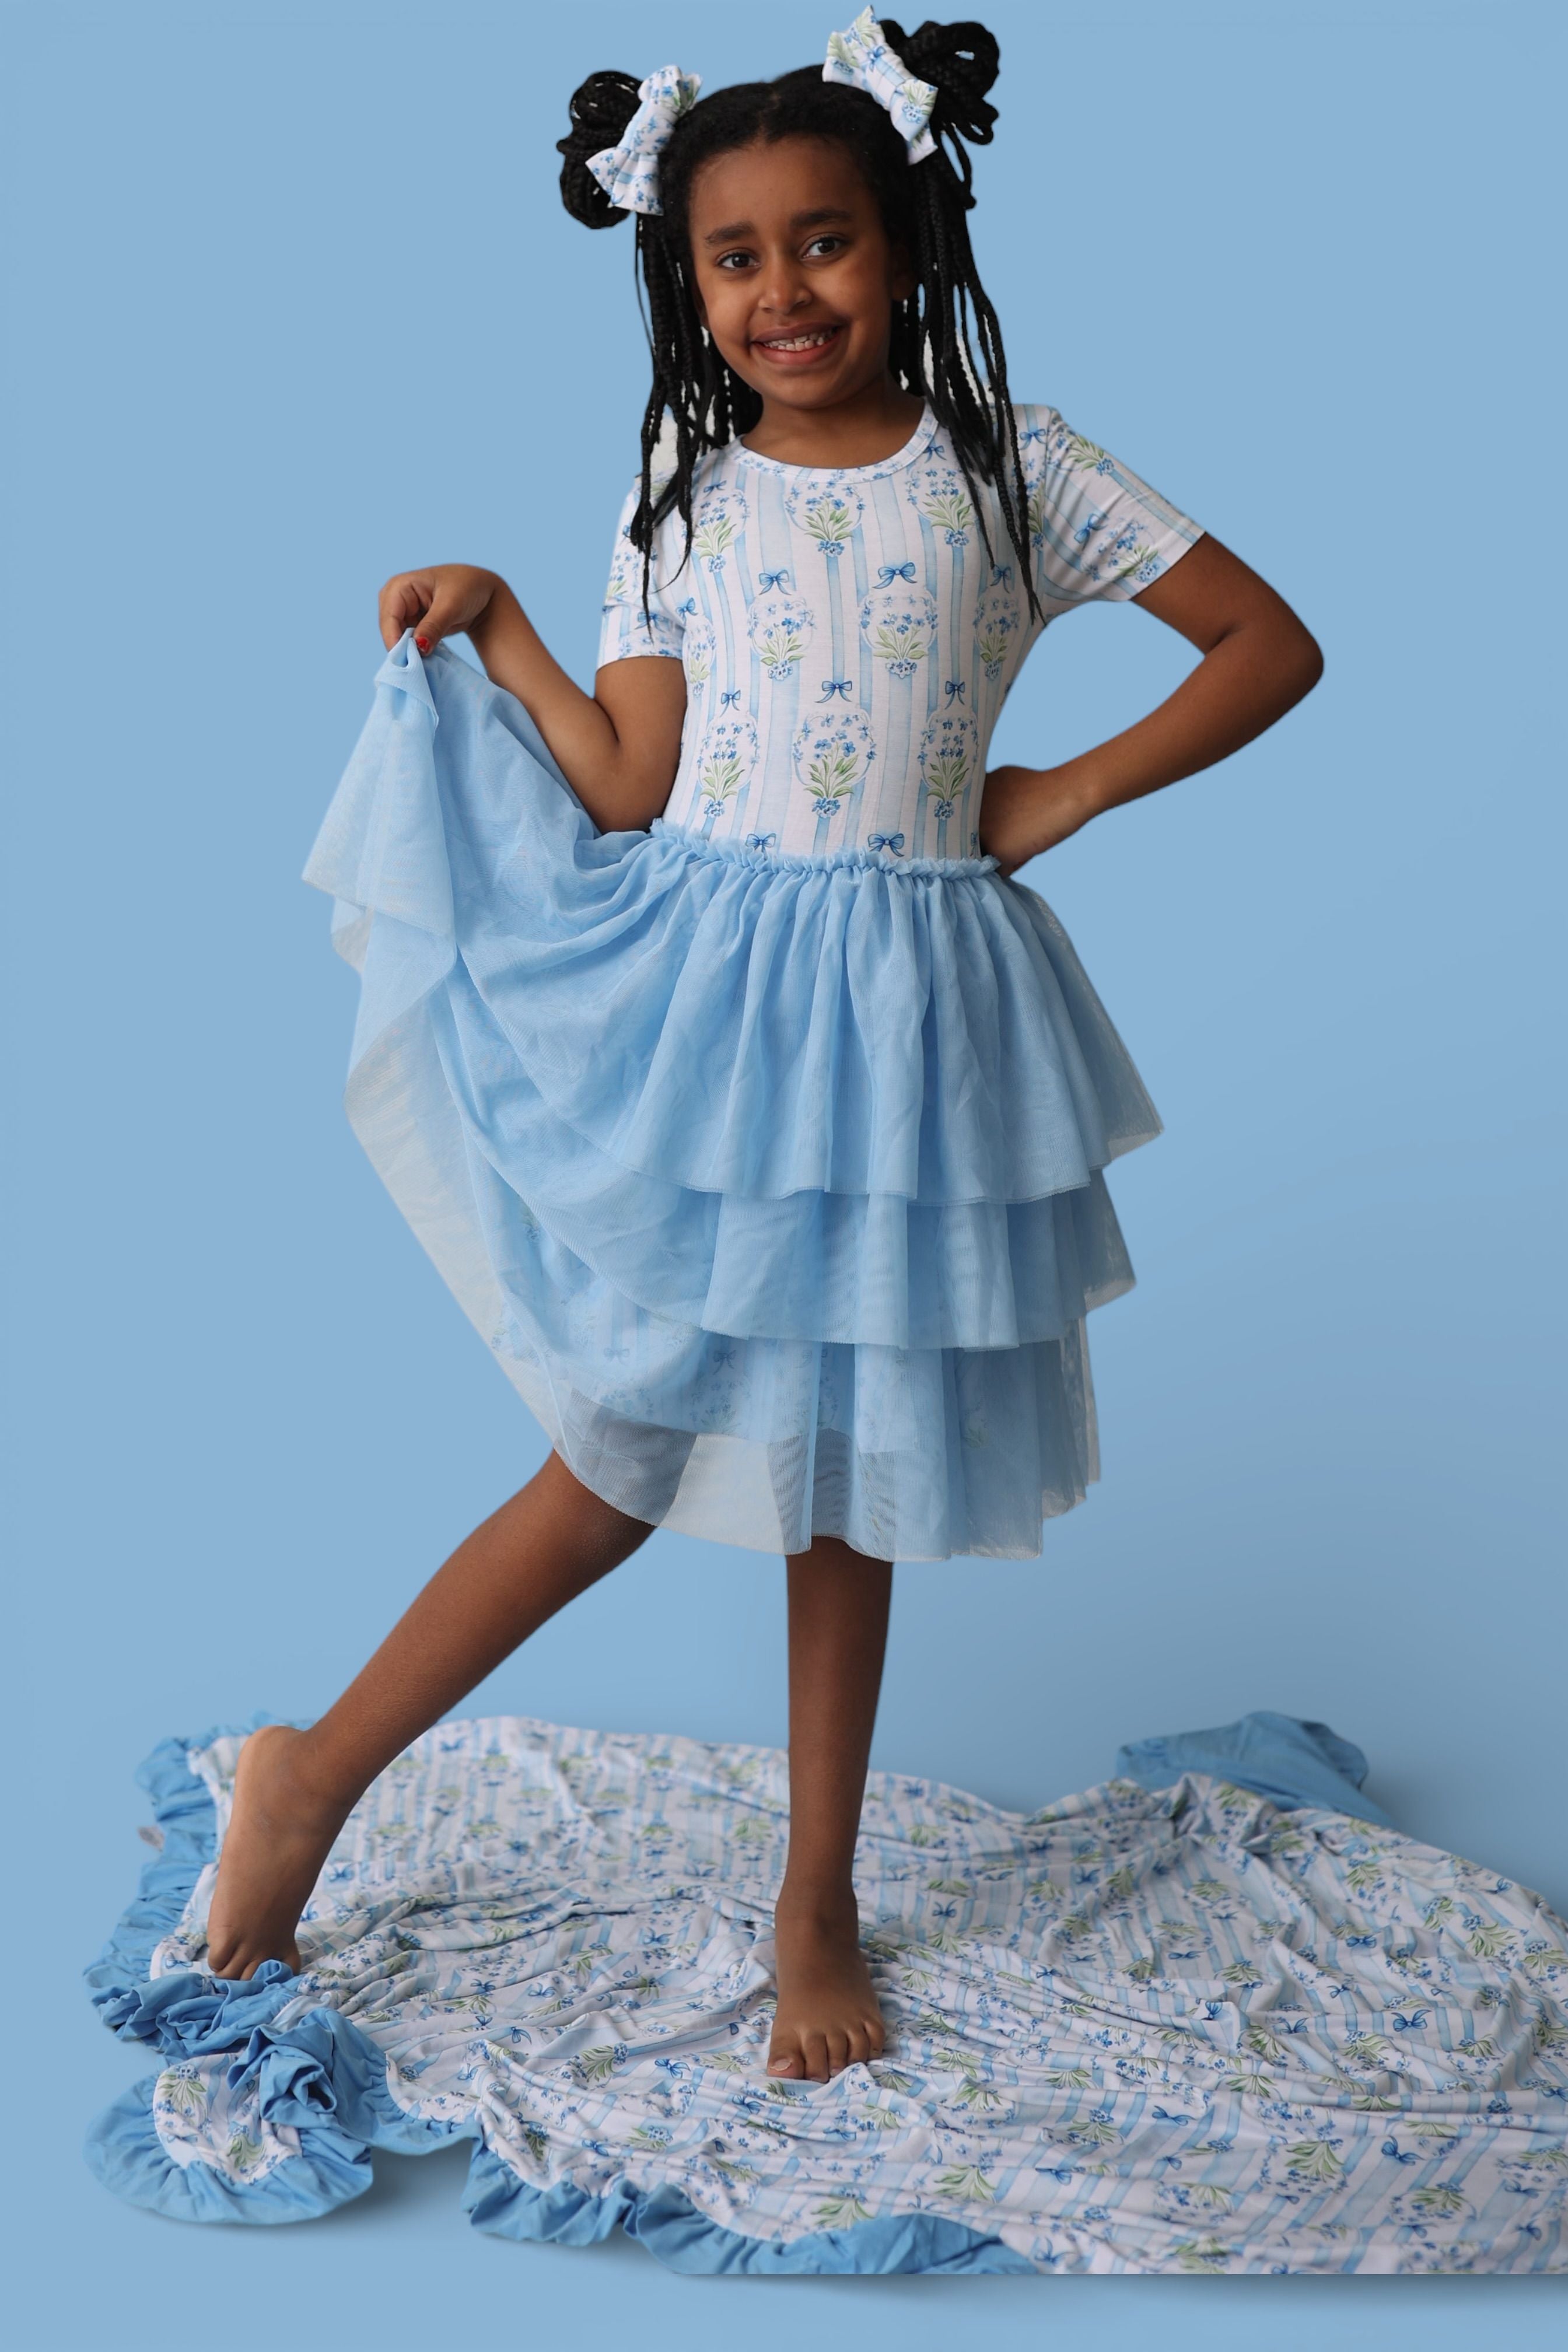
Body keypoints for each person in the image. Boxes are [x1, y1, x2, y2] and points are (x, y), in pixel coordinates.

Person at [206, 12, 1322, 2084]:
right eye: (735, 256)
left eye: (824, 241)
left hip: (907, 1024)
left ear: (904, 242)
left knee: (850, 1479)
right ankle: (316, 1772)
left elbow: (1271, 643)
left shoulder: (1018, 463)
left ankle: (818, 1895)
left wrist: (1064, 791)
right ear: (686, 280)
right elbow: (631, 780)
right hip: (715, 1013)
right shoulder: (683, 483)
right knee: (622, 1455)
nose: (783, 290)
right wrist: (505, 624)